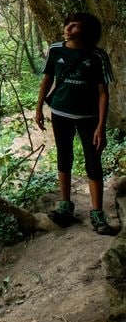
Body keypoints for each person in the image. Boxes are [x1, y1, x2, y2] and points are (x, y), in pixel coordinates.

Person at [35, 12, 116, 234]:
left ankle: (97, 214)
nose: (68, 28)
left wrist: (101, 125)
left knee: (93, 162)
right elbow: (47, 79)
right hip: (60, 112)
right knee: (64, 156)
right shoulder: (55, 50)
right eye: (67, 24)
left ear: (86, 30)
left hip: (89, 117)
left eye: (75, 25)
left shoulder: (98, 56)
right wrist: (39, 107)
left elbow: (103, 93)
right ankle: (65, 205)